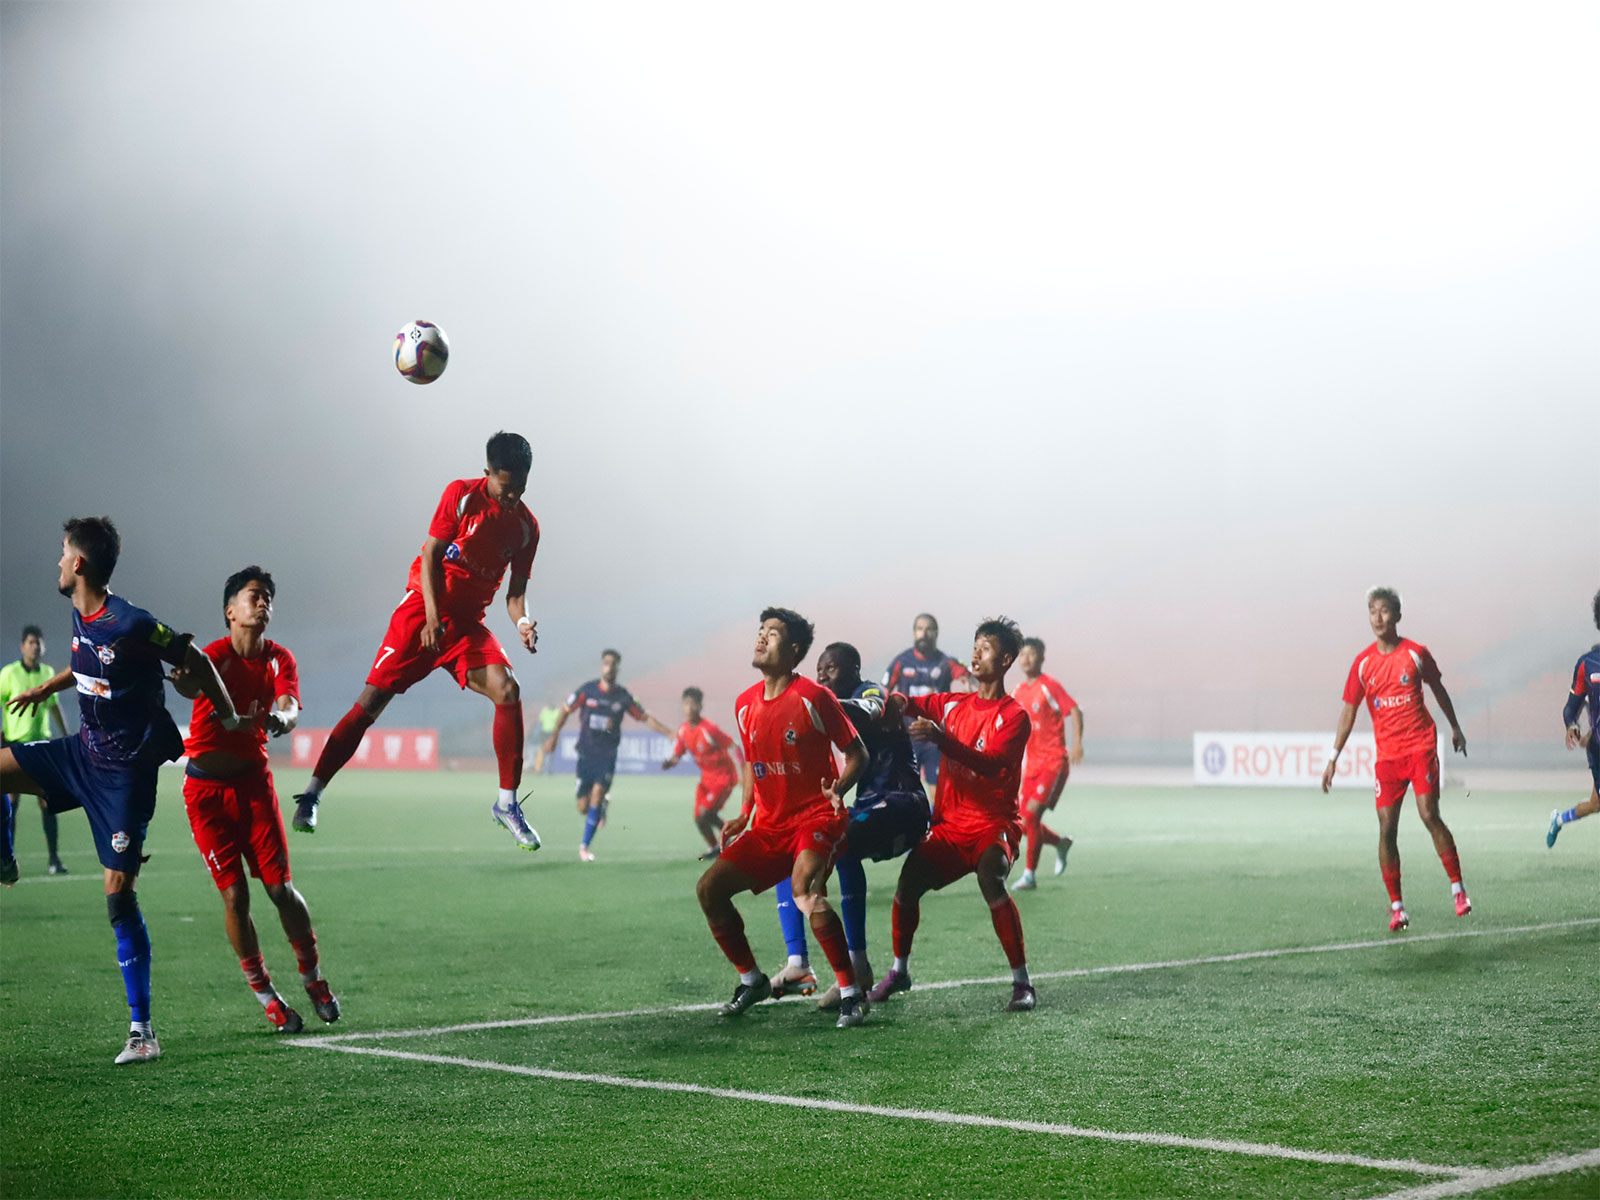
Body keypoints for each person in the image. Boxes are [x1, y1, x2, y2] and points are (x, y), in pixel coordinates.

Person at [1, 516, 245, 1063]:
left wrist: (228, 717)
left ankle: (143, 1032)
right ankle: (4, 856)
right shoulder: (80, 611)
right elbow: (88, 664)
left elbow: (197, 660)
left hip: (124, 778)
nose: (58, 562)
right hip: (81, 753)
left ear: (79, 563)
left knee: (118, 896)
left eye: (63, 553)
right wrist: (46, 688)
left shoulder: (132, 623)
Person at [291, 432, 541, 851]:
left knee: (508, 689)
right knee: (370, 704)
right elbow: (431, 556)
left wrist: (523, 623)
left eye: (521, 487)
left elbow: (515, 595)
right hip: (421, 612)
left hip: (466, 626)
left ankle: (506, 804)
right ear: (487, 473)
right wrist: (432, 616)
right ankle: (312, 794)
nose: (513, 496)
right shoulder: (461, 495)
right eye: (506, 486)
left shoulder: (526, 528)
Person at [176, 567, 339, 1033]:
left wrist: (281, 721)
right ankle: (267, 996)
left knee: (280, 890)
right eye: (254, 595)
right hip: (205, 794)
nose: (263, 602)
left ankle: (312, 978)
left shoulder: (279, 659)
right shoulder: (213, 656)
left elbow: (289, 706)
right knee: (235, 897)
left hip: (254, 788)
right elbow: (191, 685)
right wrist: (182, 678)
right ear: (230, 611)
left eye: (268, 596)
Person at [695, 608, 870, 1028]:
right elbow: (752, 761)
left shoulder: (814, 697)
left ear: (793, 650)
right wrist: (745, 812)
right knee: (710, 890)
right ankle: (752, 980)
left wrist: (839, 790)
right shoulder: (744, 705)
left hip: (816, 817)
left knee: (804, 889)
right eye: (760, 631)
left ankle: (851, 994)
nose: (761, 638)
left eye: (771, 634)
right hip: (769, 826)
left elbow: (857, 753)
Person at [869, 618, 1037, 1013]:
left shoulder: (1015, 716)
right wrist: (895, 702)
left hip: (993, 825)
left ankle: (1022, 983)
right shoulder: (952, 704)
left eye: (986, 648)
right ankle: (899, 971)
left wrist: (941, 739)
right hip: (949, 827)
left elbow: (993, 765)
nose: (976, 654)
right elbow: (907, 701)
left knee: (991, 874)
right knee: (907, 886)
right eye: (975, 646)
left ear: (1006, 659)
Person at [769, 642, 928, 1009]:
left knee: (834, 839)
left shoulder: (870, 692)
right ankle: (800, 963)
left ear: (854, 669)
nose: (822, 676)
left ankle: (854, 967)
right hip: (872, 808)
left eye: (831, 669)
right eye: (819, 671)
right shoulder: (832, 715)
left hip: (903, 803)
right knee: (800, 847)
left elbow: (869, 709)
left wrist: (815, 702)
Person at [1320, 587, 1470, 930]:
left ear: (1397, 615)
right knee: (1387, 828)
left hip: (1420, 748)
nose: (1378, 617)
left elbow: (1438, 689)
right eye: (1372, 611)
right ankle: (1398, 908)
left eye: (1384, 610)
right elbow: (1348, 712)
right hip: (1388, 758)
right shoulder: (1363, 664)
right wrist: (1333, 758)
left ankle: (1458, 890)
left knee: (1429, 814)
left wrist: (1455, 727)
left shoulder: (1415, 654)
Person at [544, 649, 674, 860]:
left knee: (597, 792)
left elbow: (644, 717)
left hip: (607, 755)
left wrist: (668, 732)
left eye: (613, 664)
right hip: (585, 753)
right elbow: (566, 710)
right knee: (582, 807)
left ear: (617, 668)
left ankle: (584, 847)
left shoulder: (623, 697)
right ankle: (602, 805)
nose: (609, 667)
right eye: (606, 663)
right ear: (601, 666)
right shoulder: (587, 691)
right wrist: (554, 735)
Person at [1010, 637, 1083, 891]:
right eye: (1022, 654)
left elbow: (1075, 710)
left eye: (1032, 654)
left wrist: (1077, 744)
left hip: (1054, 762)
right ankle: (1061, 843)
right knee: (1022, 822)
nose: (1026, 659)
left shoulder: (1049, 685)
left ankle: (1029, 875)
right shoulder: (1019, 691)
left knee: (1031, 815)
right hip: (1032, 765)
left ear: (1041, 658)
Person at [1, 624, 71, 878]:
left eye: (38, 643)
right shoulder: (8, 673)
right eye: (31, 642)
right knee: (11, 802)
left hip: (42, 745)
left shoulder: (48, 673)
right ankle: (6, 857)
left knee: (48, 801)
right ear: (22, 646)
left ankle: (54, 859)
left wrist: (66, 735)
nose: (35, 647)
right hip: (15, 743)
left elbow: (54, 707)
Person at [883, 613, 970, 786]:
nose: (924, 633)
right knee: (903, 787)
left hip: (936, 739)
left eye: (929, 629)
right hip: (907, 738)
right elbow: (884, 692)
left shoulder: (946, 662)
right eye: (920, 629)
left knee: (938, 788)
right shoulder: (902, 661)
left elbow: (969, 683)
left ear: (936, 633)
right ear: (914, 633)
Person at [661, 687, 740, 859]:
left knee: (706, 813)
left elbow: (733, 744)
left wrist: (743, 767)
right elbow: (677, 755)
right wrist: (670, 763)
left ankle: (732, 839)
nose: (689, 708)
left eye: (693, 704)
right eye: (686, 704)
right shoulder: (683, 731)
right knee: (699, 818)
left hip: (724, 777)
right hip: (706, 780)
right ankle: (716, 846)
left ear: (700, 706)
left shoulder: (709, 729)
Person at [1548, 588, 1600, 847]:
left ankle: (1559, 819)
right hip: (1598, 747)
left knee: (1596, 804)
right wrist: (1572, 725)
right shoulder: (1587, 664)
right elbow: (1571, 707)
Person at [533, 700, 561, 773]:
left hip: (550, 733)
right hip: (547, 733)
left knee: (548, 751)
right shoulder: (550, 711)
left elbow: (540, 721)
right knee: (545, 751)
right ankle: (542, 769)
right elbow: (540, 721)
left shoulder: (550, 711)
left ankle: (547, 769)